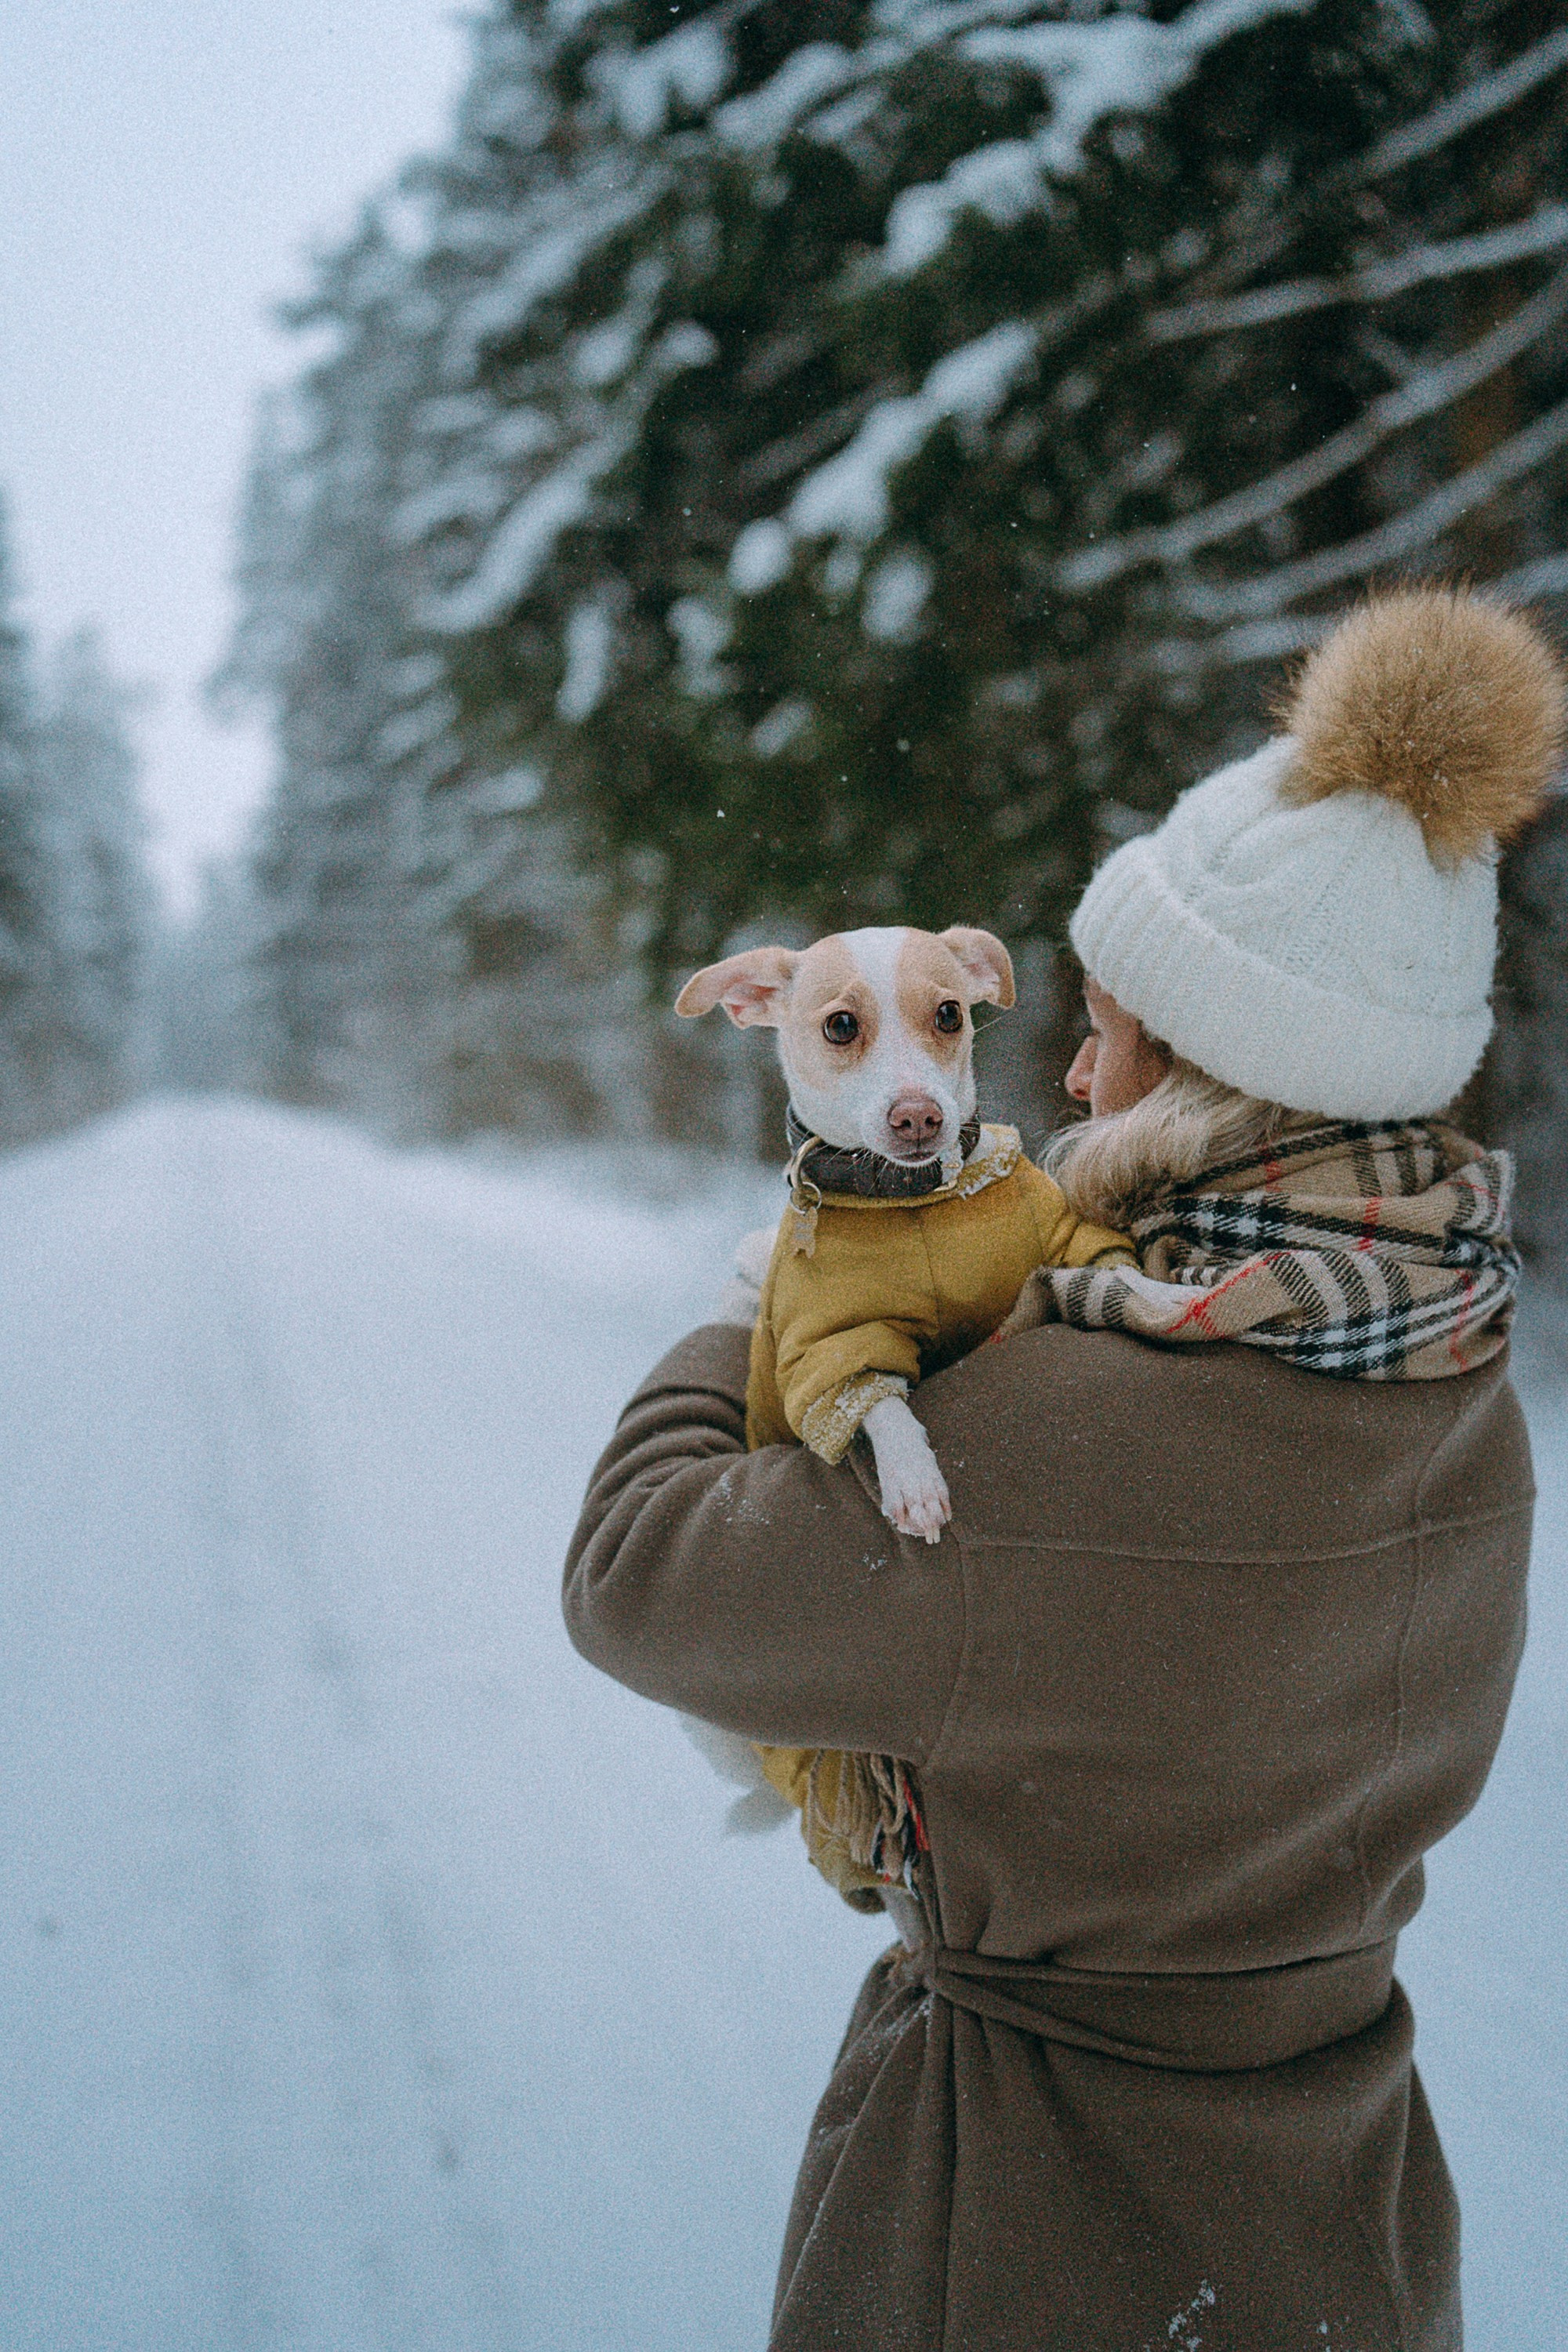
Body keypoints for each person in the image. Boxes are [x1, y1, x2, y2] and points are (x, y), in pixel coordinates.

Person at [563, 587, 1558, 2350]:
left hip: (1036, 2224)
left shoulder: (1066, 1431)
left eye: (1108, 1028)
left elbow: (640, 1579)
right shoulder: (1457, 1375)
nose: (1074, 1070)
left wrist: (759, 1302)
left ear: (1214, 1071)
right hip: (1350, 2219)